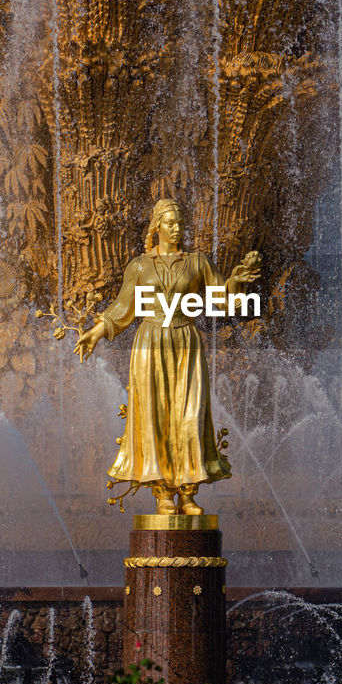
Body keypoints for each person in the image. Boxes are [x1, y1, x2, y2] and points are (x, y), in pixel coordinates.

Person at [74, 198, 261, 515]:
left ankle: (188, 492)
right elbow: (123, 308)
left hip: (185, 342)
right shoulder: (139, 266)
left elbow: (223, 301)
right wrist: (95, 332)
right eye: (170, 222)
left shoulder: (198, 262)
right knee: (155, 417)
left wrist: (236, 282)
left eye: (179, 222)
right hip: (150, 343)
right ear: (156, 226)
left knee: (189, 415)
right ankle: (162, 492)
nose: (177, 228)